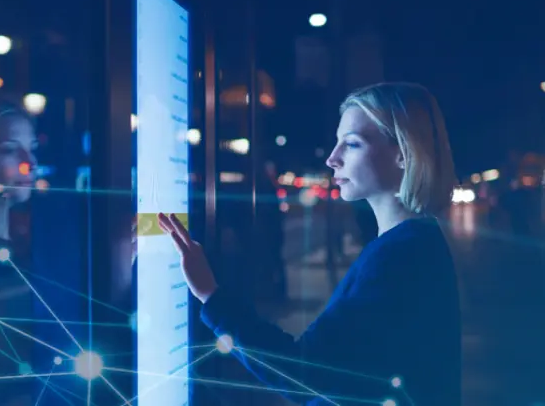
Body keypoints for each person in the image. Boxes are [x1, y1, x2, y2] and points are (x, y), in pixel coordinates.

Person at [158, 82, 461, 406]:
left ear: (402, 153)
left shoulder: (399, 257)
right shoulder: (412, 244)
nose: (332, 159)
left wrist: (210, 295)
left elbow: (304, 372)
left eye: (352, 144)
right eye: (336, 143)